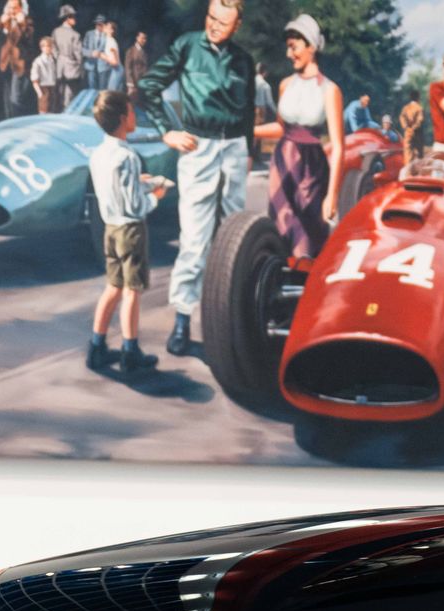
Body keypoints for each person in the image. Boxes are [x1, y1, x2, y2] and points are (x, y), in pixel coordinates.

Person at [135, 0, 256, 357]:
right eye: (211, 18)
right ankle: (183, 319)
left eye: (223, 23)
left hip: (233, 149)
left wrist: (248, 150)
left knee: (232, 237)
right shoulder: (187, 46)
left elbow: (248, 111)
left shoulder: (243, 61)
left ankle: (228, 319)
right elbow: (149, 86)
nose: (214, 26)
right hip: (198, 147)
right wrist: (166, 132)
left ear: (237, 26)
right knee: (194, 239)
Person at [87, 90, 170, 375]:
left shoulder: (99, 154)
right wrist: (156, 195)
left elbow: (117, 190)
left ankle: (96, 347)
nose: (135, 116)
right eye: (132, 112)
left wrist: (141, 182)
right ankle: (130, 350)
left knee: (113, 287)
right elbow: (134, 205)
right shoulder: (127, 156)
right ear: (123, 119)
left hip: (110, 228)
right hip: (130, 231)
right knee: (132, 291)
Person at [254, 14, 345, 259]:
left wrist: (332, 195)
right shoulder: (285, 85)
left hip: (311, 168)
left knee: (308, 236)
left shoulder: (330, 90)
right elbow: (280, 128)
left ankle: (306, 280)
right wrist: (249, 131)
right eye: (288, 48)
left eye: (294, 47)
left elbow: (338, 147)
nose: (289, 54)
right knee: (280, 229)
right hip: (282, 163)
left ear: (311, 47)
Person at [0, 0, 36, 118]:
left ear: (21, 9)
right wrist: (0, 21)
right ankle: (9, 122)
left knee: (15, 98)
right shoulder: (5, 20)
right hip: (5, 62)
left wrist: (22, 24)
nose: (12, 11)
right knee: (7, 97)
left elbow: (27, 39)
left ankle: (17, 122)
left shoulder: (27, 22)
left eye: (15, 8)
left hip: (19, 64)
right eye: (10, 8)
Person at [53, 5, 85, 103]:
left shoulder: (55, 32)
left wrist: (59, 59)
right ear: (67, 18)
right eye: (73, 17)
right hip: (72, 68)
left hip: (60, 67)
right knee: (71, 94)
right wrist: (80, 66)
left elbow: (54, 50)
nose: (75, 19)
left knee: (61, 93)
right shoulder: (75, 35)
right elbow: (79, 54)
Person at [31, 35, 62, 113]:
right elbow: (34, 79)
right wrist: (40, 93)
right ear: (41, 48)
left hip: (53, 88)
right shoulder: (38, 61)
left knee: (53, 110)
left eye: (50, 46)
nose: (48, 48)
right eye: (46, 46)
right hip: (43, 89)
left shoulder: (53, 59)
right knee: (44, 110)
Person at [124, 31, 150, 97]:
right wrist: (130, 83)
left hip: (142, 83)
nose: (144, 40)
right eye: (142, 38)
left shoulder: (144, 52)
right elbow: (128, 68)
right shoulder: (131, 51)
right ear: (137, 38)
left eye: (145, 39)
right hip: (133, 83)